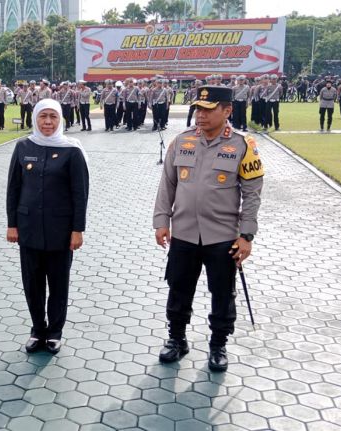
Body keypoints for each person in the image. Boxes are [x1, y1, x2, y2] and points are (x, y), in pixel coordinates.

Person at [153, 85, 264, 372]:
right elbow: (168, 184)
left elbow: (252, 194)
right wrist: (162, 221)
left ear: (227, 110)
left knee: (222, 292)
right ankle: (176, 339)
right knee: (178, 288)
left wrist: (247, 235)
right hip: (185, 233)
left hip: (223, 236)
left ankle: (218, 345)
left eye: (208, 109)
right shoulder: (182, 141)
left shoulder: (243, 145)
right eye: (198, 109)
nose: (200, 115)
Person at [6, 98, 89, 354]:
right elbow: (14, 188)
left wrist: (78, 229)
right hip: (28, 228)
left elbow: (80, 193)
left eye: (53, 116)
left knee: (58, 284)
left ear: (61, 119)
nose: (48, 122)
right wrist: (12, 225)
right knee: (32, 283)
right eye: (43, 116)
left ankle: (54, 332)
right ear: (35, 118)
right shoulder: (23, 146)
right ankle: (37, 330)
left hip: (60, 232)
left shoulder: (72, 150)